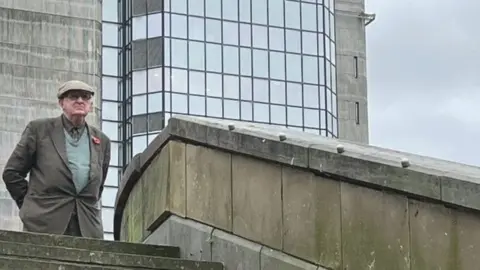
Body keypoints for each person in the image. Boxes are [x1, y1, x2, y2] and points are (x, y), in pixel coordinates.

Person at [2, 80, 111, 239]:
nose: (80, 101)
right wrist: (31, 206)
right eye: (74, 96)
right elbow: (12, 173)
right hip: (44, 224)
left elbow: (98, 186)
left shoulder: (102, 141)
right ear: (61, 103)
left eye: (85, 97)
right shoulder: (39, 130)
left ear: (90, 104)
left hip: (87, 227)